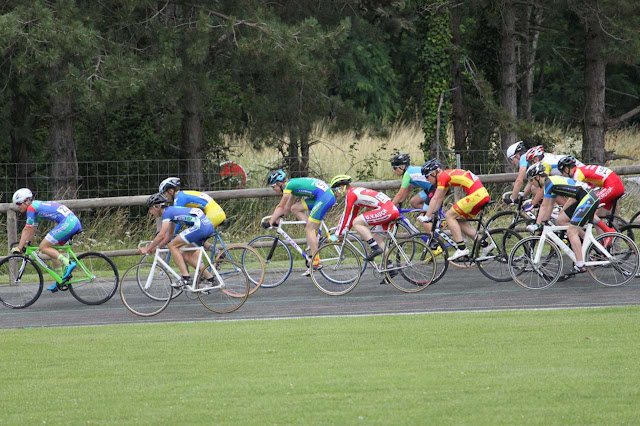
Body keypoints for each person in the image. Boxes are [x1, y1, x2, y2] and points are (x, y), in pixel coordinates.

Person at [524, 162, 613, 274]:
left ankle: (580, 264)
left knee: (571, 231)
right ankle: (588, 243)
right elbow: (550, 206)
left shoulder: (549, 183)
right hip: (585, 197)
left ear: (537, 177)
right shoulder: (550, 182)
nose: (531, 183)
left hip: (588, 198)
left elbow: (544, 206)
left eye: (531, 180)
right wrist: (544, 222)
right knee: (560, 220)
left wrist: (537, 224)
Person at [263, 170, 336, 275]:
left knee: (309, 229)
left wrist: (270, 222)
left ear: (279, 183)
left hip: (324, 197)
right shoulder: (291, 186)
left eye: (273, 186)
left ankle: (316, 262)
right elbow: (287, 208)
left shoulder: (288, 186)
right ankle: (313, 233)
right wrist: (278, 219)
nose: (273, 189)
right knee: (295, 208)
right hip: (323, 195)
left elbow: (280, 206)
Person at [138, 193, 216, 287]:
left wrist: (148, 248)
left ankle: (185, 278)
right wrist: (156, 248)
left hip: (201, 227)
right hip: (206, 226)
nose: (150, 212)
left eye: (151, 209)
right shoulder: (171, 212)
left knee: (172, 245)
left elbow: (161, 235)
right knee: (187, 255)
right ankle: (210, 278)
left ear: (157, 207)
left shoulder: (167, 213)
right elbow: (169, 235)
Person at [11, 188, 82, 291]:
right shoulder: (35, 207)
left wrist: (19, 247)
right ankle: (60, 280)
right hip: (71, 222)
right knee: (51, 250)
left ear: (27, 201)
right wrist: (27, 243)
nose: (17, 206)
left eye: (19, 203)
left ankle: (68, 263)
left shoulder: (31, 208)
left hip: (68, 223)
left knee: (43, 247)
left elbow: (26, 229)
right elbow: (33, 229)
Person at [419, 160, 491, 261]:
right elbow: (439, 199)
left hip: (477, 195)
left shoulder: (442, 176)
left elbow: (435, 198)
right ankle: (484, 244)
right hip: (481, 194)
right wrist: (433, 214)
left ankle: (461, 248)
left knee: (449, 216)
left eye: (427, 177)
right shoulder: (446, 175)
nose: (427, 180)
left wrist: (426, 216)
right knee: (458, 221)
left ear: (433, 173)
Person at [329, 174, 400, 261]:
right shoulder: (355, 191)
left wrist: (338, 234)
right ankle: (388, 265)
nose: (335, 193)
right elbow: (352, 215)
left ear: (341, 187)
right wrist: (345, 230)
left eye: (335, 190)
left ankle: (375, 248)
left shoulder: (350, 194)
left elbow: (346, 214)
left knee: (356, 222)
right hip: (391, 210)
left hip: (386, 210)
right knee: (377, 239)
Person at [557, 155, 625, 221]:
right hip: (614, 184)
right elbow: (589, 189)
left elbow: (572, 199)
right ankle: (608, 229)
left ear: (566, 169)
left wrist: (562, 212)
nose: (563, 175)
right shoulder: (581, 170)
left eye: (562, 172)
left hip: (613, 186)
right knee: (598, 216)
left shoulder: (577, 175)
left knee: (588, 206)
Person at [158, 177, 226, 229]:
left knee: (193, 236)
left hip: (214, 214)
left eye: (164, 193)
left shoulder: (179, 198)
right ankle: (207, 245)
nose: (165, 197)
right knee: (196, 236)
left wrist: (171, 235)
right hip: (216, 212)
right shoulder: (182, 194)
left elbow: (177, 220)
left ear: (170, 191)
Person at [389, 154, 435, 225]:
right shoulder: (409, 171)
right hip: (430, 188)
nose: (394, 171)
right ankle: (433, 213)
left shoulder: (407, 174)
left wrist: (390, 207)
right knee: (414, 202)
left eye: (395, 168)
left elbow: (400, 194)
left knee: (424, 219)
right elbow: (407, 190)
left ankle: (431, 216)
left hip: (435, 187)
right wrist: (400, 202)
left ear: (402, 167)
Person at [504, 140, 528, 205]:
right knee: (534, 188)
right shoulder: (529, 158)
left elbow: (519, 181)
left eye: (511, 159)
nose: (512, 162)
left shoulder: (523, 158)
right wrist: (521, 197)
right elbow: (530, 183)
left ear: (517, 156)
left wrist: (512, 198)